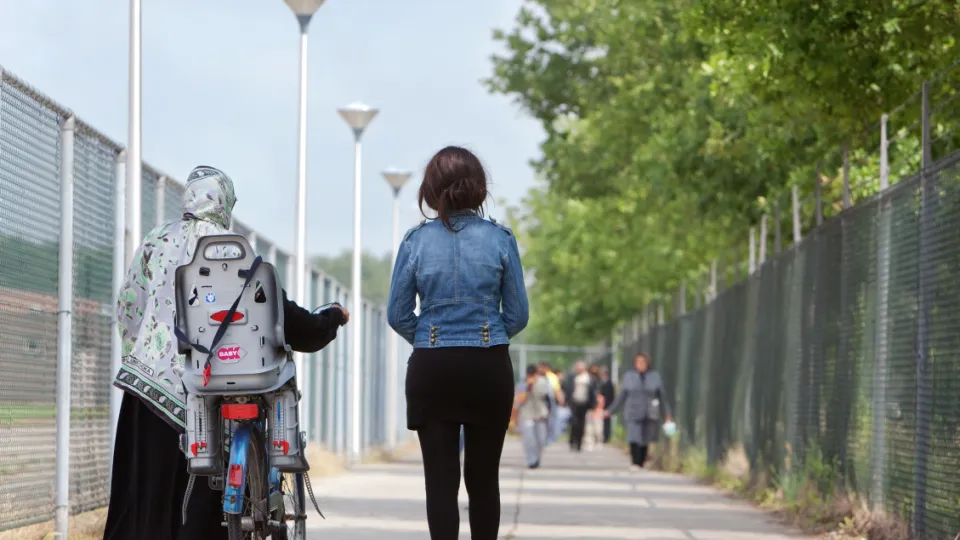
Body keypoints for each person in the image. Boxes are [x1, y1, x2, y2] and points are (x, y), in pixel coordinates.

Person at [105, 166, 350, 540]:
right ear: (224, 203)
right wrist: (328, 320)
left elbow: (128, 307)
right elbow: (280, 318)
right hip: (217, 388)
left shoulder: (155, 242)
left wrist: (143, 353)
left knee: (145, 498)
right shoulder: (236, 253)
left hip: (152, 388)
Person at [387, 146, 529, 540]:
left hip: (433, 368)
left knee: (440, 484)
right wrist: (487, 334)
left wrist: (434, 339)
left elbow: (398, 315)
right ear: (479, 189)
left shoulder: (415, 242)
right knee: (484, 481)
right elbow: (517, 315)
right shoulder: (500, 239)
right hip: (487, 367)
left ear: (431, 189)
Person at [605, 352, 672, 471]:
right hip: (633, 411)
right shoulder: (629, 376)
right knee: (634, 436)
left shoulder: (654, 377)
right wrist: (611, 411)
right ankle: (634, 462)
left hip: (649, 411)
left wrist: (667, 414)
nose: (641, 365)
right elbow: (622, 396)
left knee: (645, 439)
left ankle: (641, 463)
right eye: (638, 362)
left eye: (643, 362)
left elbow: (662, 397)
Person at [514, 365, 551, 468]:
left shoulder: (543, 382)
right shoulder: (522, 384)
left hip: (540, 414)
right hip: (527, 414)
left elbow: (547, 397)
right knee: (529, 439)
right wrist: (528, 388)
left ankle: (537, 458)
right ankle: (531, 460)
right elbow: (519, 400)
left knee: (541, 439)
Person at [563, 361, 598, 452]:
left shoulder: (589, 378)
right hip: (574, 402)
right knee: (574, 422)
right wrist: (566, 401)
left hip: (585, 403)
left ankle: (579, 443)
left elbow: (593, 391)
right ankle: (572, 441)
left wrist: (594, 403)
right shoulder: (572, 377)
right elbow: (568, 389)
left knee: (582, 424)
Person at [597, 367, 616, 443]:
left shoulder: (609, 383)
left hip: (607, 405)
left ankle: (606, 436)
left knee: (607, 421)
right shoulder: (600, 382)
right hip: (600, 405)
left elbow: (611, 395)